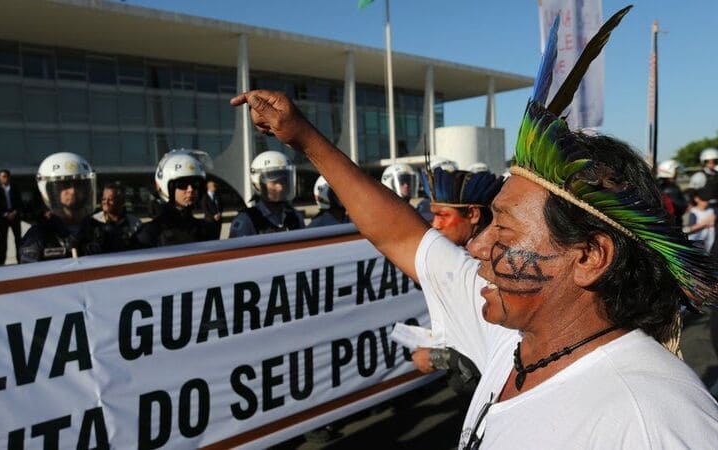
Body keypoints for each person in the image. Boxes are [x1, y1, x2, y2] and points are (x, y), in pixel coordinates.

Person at [229, 7, 718, 447]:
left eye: (503, 232)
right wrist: (305, 137)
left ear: (589, 256)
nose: (479, 246)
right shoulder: (514, 338)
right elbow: (400, 234)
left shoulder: (652, 419)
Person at [410, 169, 503, 386]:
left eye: (443, 215)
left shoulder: (490, 267)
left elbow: (492, 344)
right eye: (433, 215)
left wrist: (435, 357)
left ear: (473, 214)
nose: (435, 225)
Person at [19, 152, 102, 263]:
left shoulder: (102, 232)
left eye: (78, 184)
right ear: (49, 191)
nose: (73, 191)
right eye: (65, 185)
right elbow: (28, 276)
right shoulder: (38, 236)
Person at [136, 150, 218, 247]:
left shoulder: (205, 229)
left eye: (195, 184)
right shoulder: (150, 234)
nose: (190, 189)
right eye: (182, 184)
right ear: (165, 186)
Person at [229, 150, 305, 237]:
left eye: (284, 181)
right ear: (257, 184)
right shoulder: (246, 220)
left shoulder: (296, 217)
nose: (280, 187)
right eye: (274, 182)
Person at [91, 183, 143, 254]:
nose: (106, 202)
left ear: (121, 201)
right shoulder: (93, 221)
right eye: (104, 199)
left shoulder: (134, 223)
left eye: (110, 199)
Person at [0, 169, 23, 265]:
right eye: (2, 176)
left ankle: (20, 258)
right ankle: (1, 261)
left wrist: (14, 212)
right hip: (1, 217)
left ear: (9, 177)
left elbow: (19, 201)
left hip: (14, 216)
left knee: (18, 239)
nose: (5, 178)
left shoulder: (15, 187)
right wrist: (5, 214)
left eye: (6, 176)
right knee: (2, 240)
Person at [656, 159, 688, 227]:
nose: (677, 173)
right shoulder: (671, 189)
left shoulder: (657, 185)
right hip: (673, 225)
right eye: (675, 171)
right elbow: (681, 207)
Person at [684, 189, 716, 254]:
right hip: (696, 246)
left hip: (710, 247)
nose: (705, 202)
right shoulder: (692, 212)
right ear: (696, 199)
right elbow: (685, 230)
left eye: (707, 200)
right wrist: (703, 224)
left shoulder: (711, 211)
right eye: (703, 200)